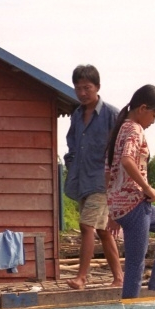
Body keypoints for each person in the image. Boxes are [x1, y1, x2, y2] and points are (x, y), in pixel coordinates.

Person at [105, 84, 155, 299]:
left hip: (123, 206)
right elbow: (127, 161)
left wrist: (112, 212)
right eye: (154, 115)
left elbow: (108, 172)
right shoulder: (134, 129)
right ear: (142, 108)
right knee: (135, 265)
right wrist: (147, 188)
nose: (153, 121)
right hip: (135, 205)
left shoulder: (120, 129)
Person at [62, 64, 124, 290]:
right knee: (102, 230)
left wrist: (118, 184)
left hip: (102, 182)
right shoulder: (77, 115)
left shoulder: (112, 114)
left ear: (97, 87)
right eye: (78, 88)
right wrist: (71, 163)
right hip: (81, 180)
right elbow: (71, 145)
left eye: (87, 88)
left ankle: (81, 277)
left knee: (86, 226)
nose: (82, 93)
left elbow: (123, 149)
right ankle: (119, 278)